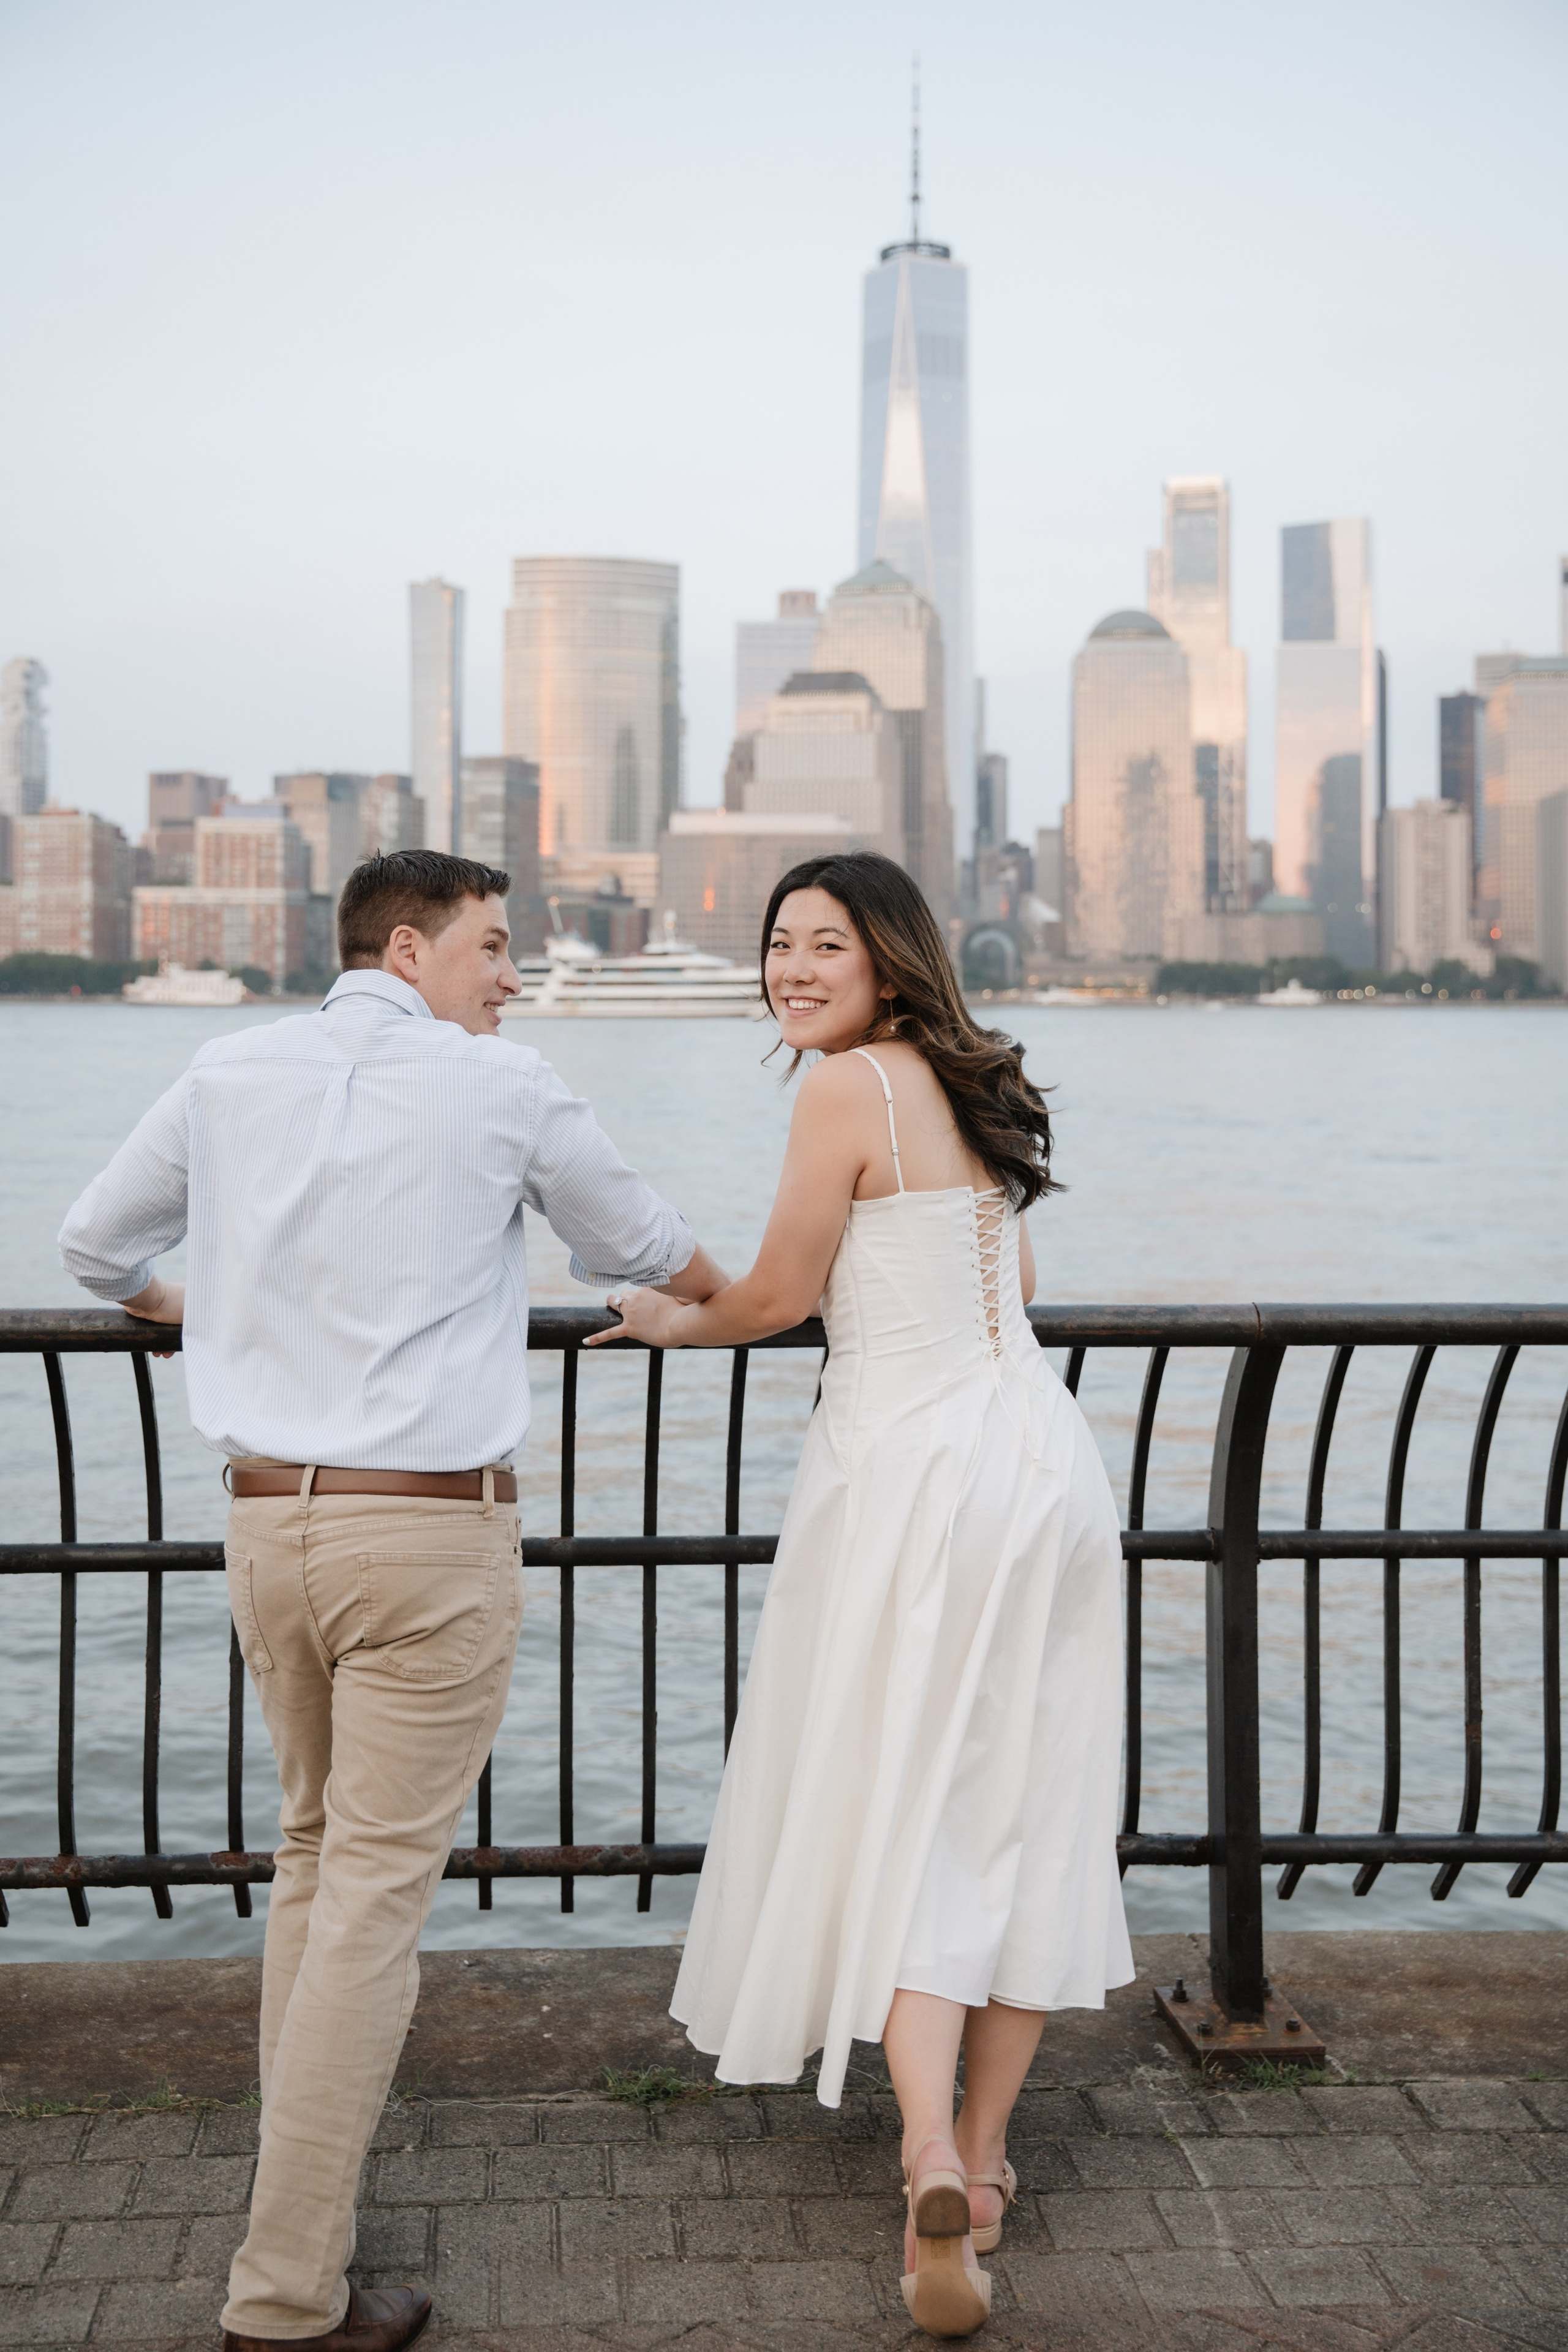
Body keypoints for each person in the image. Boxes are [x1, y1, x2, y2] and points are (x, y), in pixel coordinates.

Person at [58, 850, 726, 2352]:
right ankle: (285, 2297)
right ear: (412, 948)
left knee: (314, 1864)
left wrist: (202, 1307)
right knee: (368, 1903)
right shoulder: (502, 1086)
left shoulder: (227, 1072)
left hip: (267, 1529)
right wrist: (714, 1306)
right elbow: (661, 1256)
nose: (509, 977)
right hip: (423, 1540)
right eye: (494, 948)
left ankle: (304, 2243)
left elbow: (94, 1250)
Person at [592, 851, 1133, 2337]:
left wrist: (657, 1319)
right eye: (776, 946)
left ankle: (924, 2152)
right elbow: (1006, 1287)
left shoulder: (841, 1090)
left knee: (907, 1799)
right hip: (1040, 1464)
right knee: (1019, 1801)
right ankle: (997, 2156)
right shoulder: (971, 1090)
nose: (792, 970)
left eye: (823, 945)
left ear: (886, 960)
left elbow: (772, 1296)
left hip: (908, 1477)